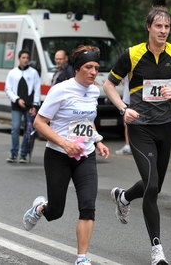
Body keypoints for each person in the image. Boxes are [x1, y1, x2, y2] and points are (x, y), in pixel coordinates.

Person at [103, 5, 171, 265]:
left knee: (154, 184)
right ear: (149, 27)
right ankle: (157, 250)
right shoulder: (132, 54)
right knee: (152, 187)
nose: (163, 31)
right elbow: (108, 84)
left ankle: (123, 197)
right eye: (159, 26)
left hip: (164, 127)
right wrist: (123, 109)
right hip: (140, 127)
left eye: (167, 26)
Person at [22, 45, 109, 265]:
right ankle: (41, 208)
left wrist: (97, 141)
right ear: (78, 68)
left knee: (88, 206)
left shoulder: (94, 91)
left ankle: (81, 258)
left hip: (85, 156)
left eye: (96, 67)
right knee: (56, 211)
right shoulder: (61, 90)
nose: (93, 72)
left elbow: (87, 121)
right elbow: (39, 123)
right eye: (88, 67)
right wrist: (64, 143)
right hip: (58, 156)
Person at [5, 49, 41, 163]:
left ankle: (23, 154)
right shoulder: (12, 73)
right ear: (19, 58)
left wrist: (35, 105)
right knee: (15, 128)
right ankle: (14, 153)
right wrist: (17, 99)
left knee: (28, 130)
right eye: (23, 57)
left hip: (29, 106)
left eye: (27, 58)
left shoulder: (33, 73)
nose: (25, 60)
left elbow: (37, 90)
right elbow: (8, 89)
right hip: (16, 105)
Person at [115, 75, 132, 155]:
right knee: (128, 122)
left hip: (130, 98)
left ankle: (128, 146)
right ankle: (128, 146)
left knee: (127, 122)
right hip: (128, 98)